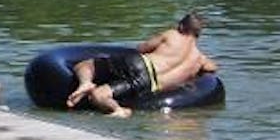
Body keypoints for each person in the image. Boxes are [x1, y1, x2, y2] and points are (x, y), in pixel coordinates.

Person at [66, 12, 217, 118]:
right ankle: (118, 110)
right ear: (198, 34)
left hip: (139, 64)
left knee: (86, 65)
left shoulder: (172, 35)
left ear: (181, 26)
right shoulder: (199, 60)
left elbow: (141, 48)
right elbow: (213, 68)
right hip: (149, 84)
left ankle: (85, 83)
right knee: (98, 95)